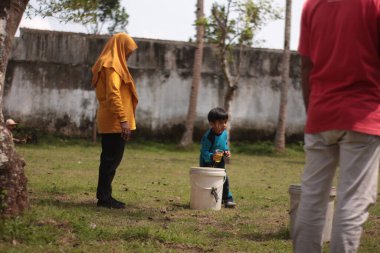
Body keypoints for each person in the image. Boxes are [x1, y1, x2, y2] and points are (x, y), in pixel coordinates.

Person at [293, 0, 380, 252]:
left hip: (320, 115)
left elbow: (306, 66)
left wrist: (314, 113)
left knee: (311, 200)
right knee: (352, 203)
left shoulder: (313, 5)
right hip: (362, 117)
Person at [91, 33, 138, 209]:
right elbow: (113, 95)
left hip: (113, 120)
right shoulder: (111, 66)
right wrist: (123, 120)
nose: (128, 55)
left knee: (110, 160)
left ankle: (104, 195)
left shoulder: (110, 64)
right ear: (119, 47)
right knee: (110, 160)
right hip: (115, 122)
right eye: (128, 51)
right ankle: (104, 198)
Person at [199, 107, 236, 208]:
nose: (224, 125)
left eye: (225, 122)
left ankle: (227, 199)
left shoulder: (224, 133)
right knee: (208, 181)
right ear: (212, 124)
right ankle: (205, 200)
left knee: (223, 179)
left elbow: (224, 145)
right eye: (220, 122)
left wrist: (226, 151)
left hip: (219, 161)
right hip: (207, 162)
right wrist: (212, 156)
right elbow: (203, 151)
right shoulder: (208, 136)